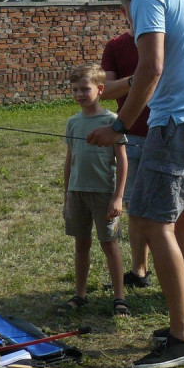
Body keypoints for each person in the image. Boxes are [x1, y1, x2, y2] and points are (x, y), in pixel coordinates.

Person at [87, 0, 184, 368]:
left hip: (176, 126)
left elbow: (152, 67)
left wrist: (119, 125)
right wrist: (110, 90)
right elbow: (160, 67)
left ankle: (182, 342)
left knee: (148, 221)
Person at [62, 64, 129, 316]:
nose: (79, 94)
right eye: (75, 89)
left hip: (103, 193)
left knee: (109, 243)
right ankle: (80, 294)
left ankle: (120, 297)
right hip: (77, 192)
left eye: (85, 89)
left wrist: (118, 197)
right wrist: (67, 196)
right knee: (82, 244)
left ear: (100, 90)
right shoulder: (72, 123)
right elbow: (69, 161)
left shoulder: (112, 122)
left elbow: (122, 160)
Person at [101, 1, 152, 289]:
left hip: (165, 134)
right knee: (134, 207)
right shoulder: (116, 46)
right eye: (131, 8)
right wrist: (139, 78)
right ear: (124, 12)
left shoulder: (165, 43)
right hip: (129, 135)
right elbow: (105, 90)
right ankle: (139, 270)